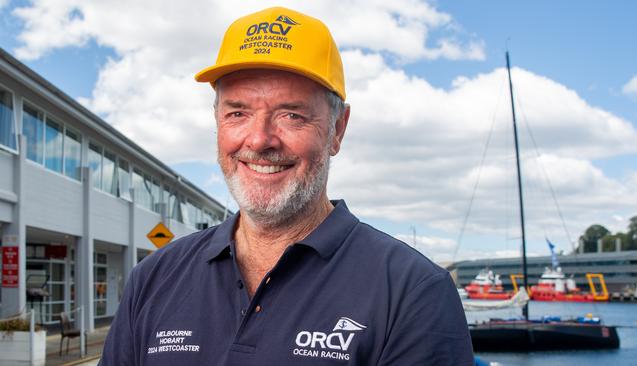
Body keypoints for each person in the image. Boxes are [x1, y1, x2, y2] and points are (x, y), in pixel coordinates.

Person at [99, 6, 474, 365]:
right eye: (238, 113)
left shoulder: (413, 292)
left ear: (337, 130)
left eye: (291, 115)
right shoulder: (154, 278)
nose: (260, 140)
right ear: (217, 121)